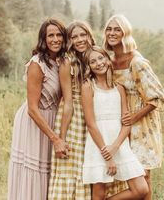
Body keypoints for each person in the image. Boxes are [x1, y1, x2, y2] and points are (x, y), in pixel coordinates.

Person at [102, 14, 164, 200]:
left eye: (117, 29)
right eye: (109, 29)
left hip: (142, 125)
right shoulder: (110, 61)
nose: (112, 33)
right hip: (120, 123)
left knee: (143, 177)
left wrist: (134, 117)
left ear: (125, 33)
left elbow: (157, 97)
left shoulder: (136, 62)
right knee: (126, 178)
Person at [7, 19, 69, 200]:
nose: (55, 39)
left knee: (49, 172)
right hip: (34, 121)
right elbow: (32, 108)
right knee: (34, 172)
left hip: (51, 120)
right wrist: (55, 138)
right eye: (51, 35)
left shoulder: (62, 62)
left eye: (59, 35)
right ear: (43, 38)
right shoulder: (37, 64)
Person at [81, 46, 149, 200]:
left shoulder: (119, 88)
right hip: (99, 145)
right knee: (99, 194)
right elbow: (91, 124)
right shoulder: (88, 87)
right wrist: (107, 155)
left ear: (107, 59)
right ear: (89, 67)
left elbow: (126, 122)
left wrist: (116, 146)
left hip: (119, 144)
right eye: (93, 61)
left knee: (141, 189)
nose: (98, 63)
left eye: (101, 58)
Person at [48, 20, 95, 200]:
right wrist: (61, 138)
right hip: (74, 117)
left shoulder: (95, 58)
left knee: (88, 169)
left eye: (83, 35)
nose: (79, 40)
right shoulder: (67, 62)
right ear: (69, 40)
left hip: (93, 117)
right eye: (74, 37)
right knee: (71, 169)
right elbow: (67, 101)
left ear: (90, 36)